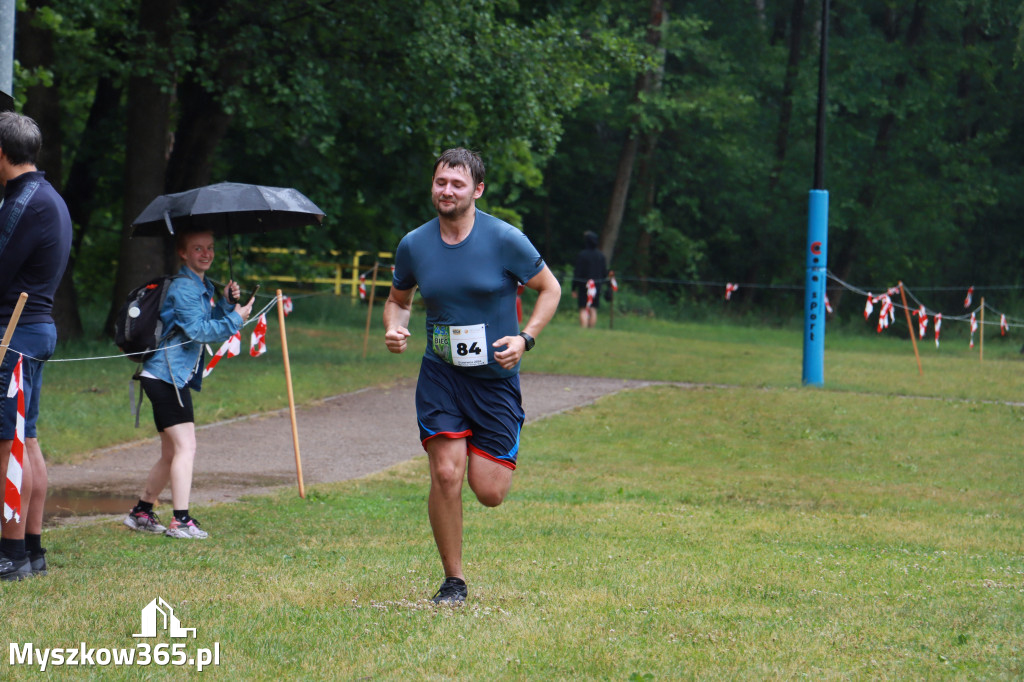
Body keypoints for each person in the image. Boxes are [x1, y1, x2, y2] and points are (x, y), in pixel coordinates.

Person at [383, 148, 561, 605]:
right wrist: (394, 325)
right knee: (446, 473)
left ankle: (500, 440)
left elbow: (550, 289)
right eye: (441, 182)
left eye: (457, 184)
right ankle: (453, 581)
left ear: (477, 190)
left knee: (489, 491)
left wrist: (525, 338)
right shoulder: (414, 244)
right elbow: (398, 299)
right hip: (441, 375)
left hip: (494, 379)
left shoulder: (505, 239)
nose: (447, 190)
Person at [123, 230, 253, 540]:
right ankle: (180, 521)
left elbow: (203, 322)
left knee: (171, 453)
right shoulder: (184, 288)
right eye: (198, 249)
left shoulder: (201, 286)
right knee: (186, 447)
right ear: (183, 253)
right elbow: (198, 332)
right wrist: (237, 317)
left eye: (209, 248)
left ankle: (141, 512)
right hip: (166, 377)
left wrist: (224, 305)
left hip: (167, 377)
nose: (206, 254)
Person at [0, 112, 72, 580]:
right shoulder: (46, 196)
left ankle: (9, 554)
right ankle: (31, 550)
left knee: (8, 447)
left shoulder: (24, 202)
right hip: (35, 327)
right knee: (27, 441)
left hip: (15, 334)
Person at [572, 230, 608, 328]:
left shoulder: (582, 255)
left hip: (583, 285)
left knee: (583, 308)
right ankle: (591, 329)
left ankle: (583, 329)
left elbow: (577, 273)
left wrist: (574, 288)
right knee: (593, 308)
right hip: (597, 285)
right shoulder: (601, 256)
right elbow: (605, 273)